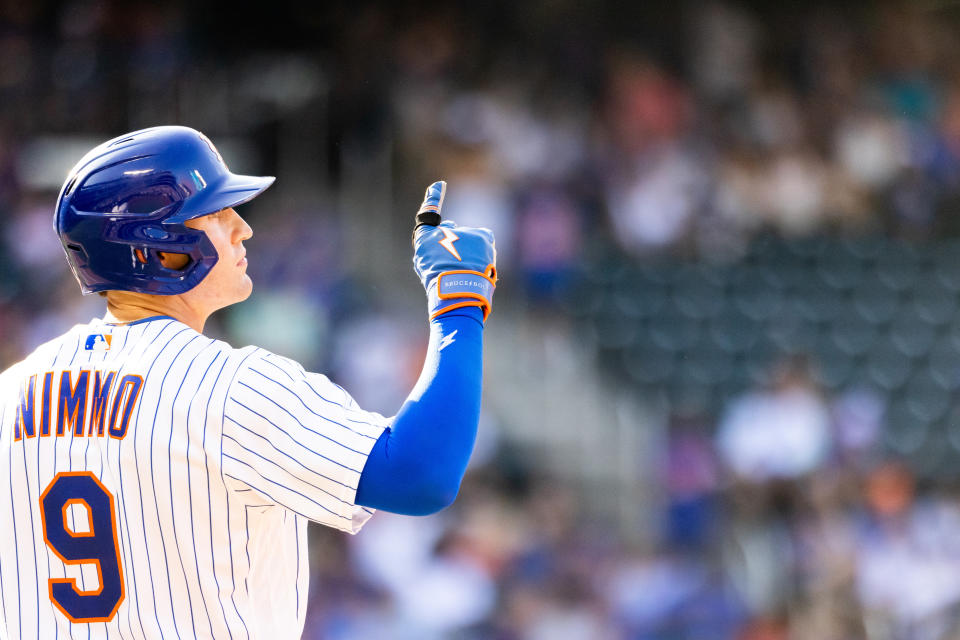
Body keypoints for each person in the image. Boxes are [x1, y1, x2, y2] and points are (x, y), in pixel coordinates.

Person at [0, 126, 496, 639]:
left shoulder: (10, 393)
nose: (242, 228)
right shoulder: (227, 385)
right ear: (158, 248)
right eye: (216, 213)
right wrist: (458, 303)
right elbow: (421, 475)